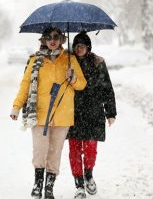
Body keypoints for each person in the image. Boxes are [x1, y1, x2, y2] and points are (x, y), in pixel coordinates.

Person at [9, 27, 87, 199]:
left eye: (56, 37)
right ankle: (38, 185)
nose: (53, 40)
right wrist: (16, 106)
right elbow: (25, 85)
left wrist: (72, 78)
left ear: (61, 39)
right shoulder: (35, 60)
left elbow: (81, 84)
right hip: (40, 114)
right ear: (43, 40)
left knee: (55, 152)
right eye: (49, 37)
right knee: (40, 150)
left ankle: (49, 187)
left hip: (62, 115)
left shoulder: (69, 59)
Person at [67, 31, 117, 199]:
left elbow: (107, 88)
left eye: (82, 45)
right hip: (72, 113)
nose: (79, 48)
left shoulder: (98, 63)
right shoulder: (67, 63)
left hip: (94, 112)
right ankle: (79, 184)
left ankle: (88, 174)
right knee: (74, 150)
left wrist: (111, 112)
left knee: (90, 149)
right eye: (76, 45)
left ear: (88, 47)